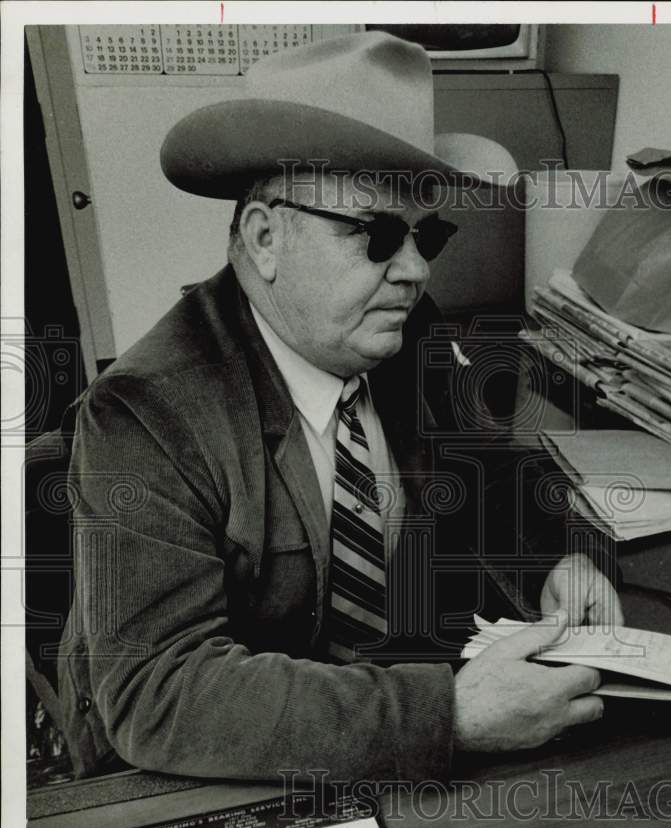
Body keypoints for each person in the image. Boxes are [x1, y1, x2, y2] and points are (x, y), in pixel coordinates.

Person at [57, 32, 622, 783]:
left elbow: (490, 469)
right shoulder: (144, 414)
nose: (416, 270)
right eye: (377, 234)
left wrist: (563, 555)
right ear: (264, 238)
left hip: (382, 700)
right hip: (207, 773)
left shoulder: (400, 330)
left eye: (427, 236)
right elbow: (160, 692)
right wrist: (448, 715)